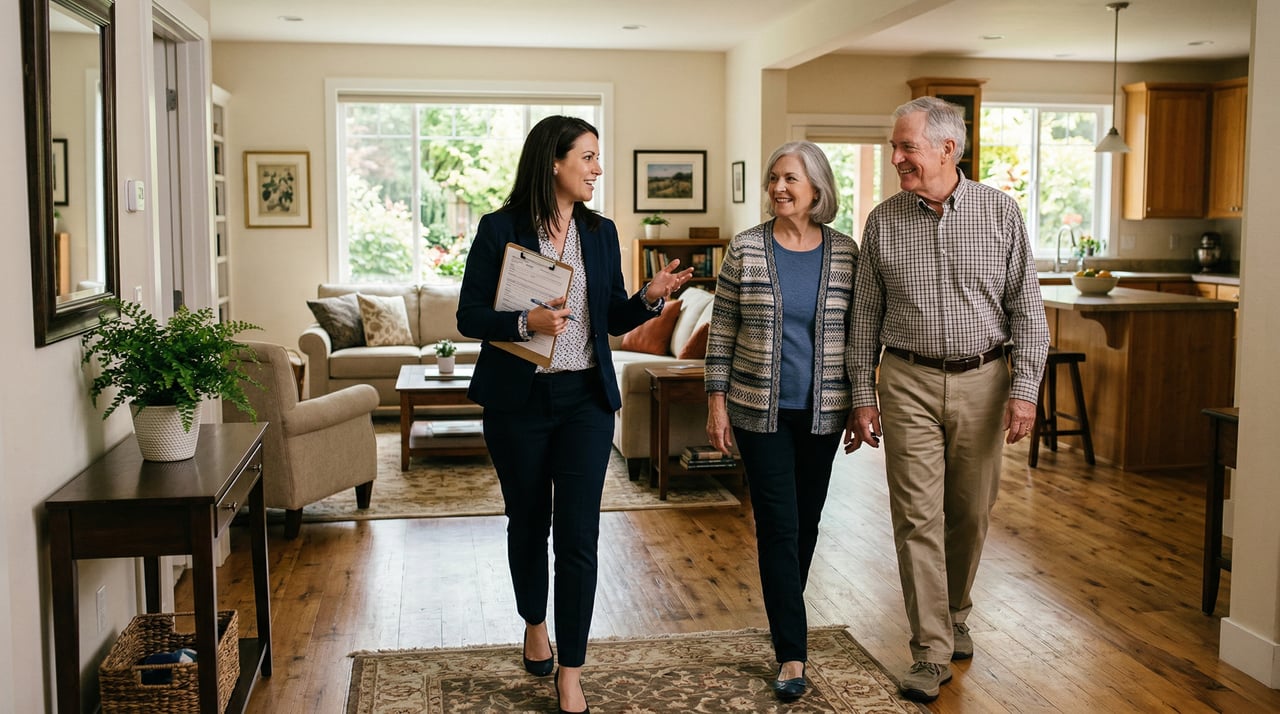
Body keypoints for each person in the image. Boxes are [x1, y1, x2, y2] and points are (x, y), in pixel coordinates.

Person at [457, 115, 692, 714]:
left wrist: (648, 298)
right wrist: (524, 323)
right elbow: (468, 316)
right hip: (518, 404)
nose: (597, 169)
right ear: (554, 162)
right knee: (528, 523)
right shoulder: (499, 228)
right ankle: (534, 623)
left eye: (596, 157)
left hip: (585, 401)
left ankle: (572, 671)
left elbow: (610, 317)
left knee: (580, 535)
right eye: (587, 157)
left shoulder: (600, 231)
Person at [844, 96, 1049, 702]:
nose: (896, 157)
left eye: (906, 146)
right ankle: (930, 650)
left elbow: (1027, 309)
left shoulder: (1000, 212)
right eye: (894, 146)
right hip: (906, 379)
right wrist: (862, 395)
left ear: (947, 149)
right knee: (916, 517)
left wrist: (1025, 392)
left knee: (971, 512)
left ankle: (955, 611)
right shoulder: (883, 221)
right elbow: (864, 318)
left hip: (984, 380)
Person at [704, 141, 858, 703]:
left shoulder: (846, 253)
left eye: (790, 178)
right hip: (757, 410)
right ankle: (792, 651)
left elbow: (859, 335)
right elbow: (722, 329)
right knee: (778, 525)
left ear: (817, 187)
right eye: (774, 178)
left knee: (807, 524)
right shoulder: (746, 248)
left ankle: (785, 615)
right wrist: (716, 402)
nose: (778, 188)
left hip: (824, 412)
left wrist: (862, 402)